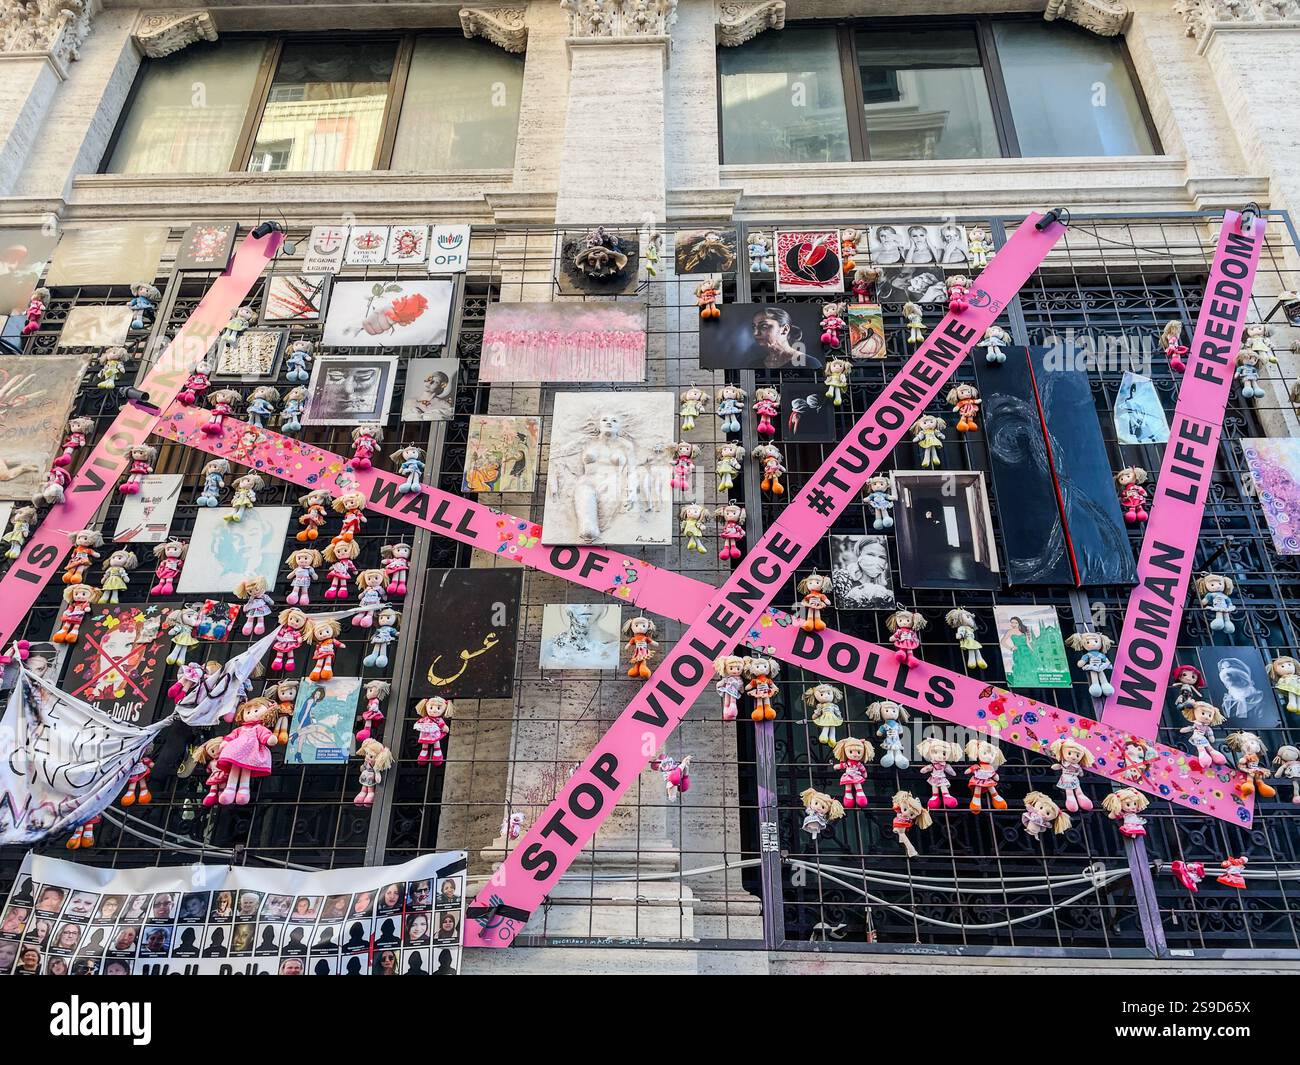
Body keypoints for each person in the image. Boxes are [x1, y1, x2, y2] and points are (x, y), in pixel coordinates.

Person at [748, 307, 820, 371]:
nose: (756, 333)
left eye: (764, 326)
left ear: (785, 329)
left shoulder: (810, 364)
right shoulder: (754, 365)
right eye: (754, 327)